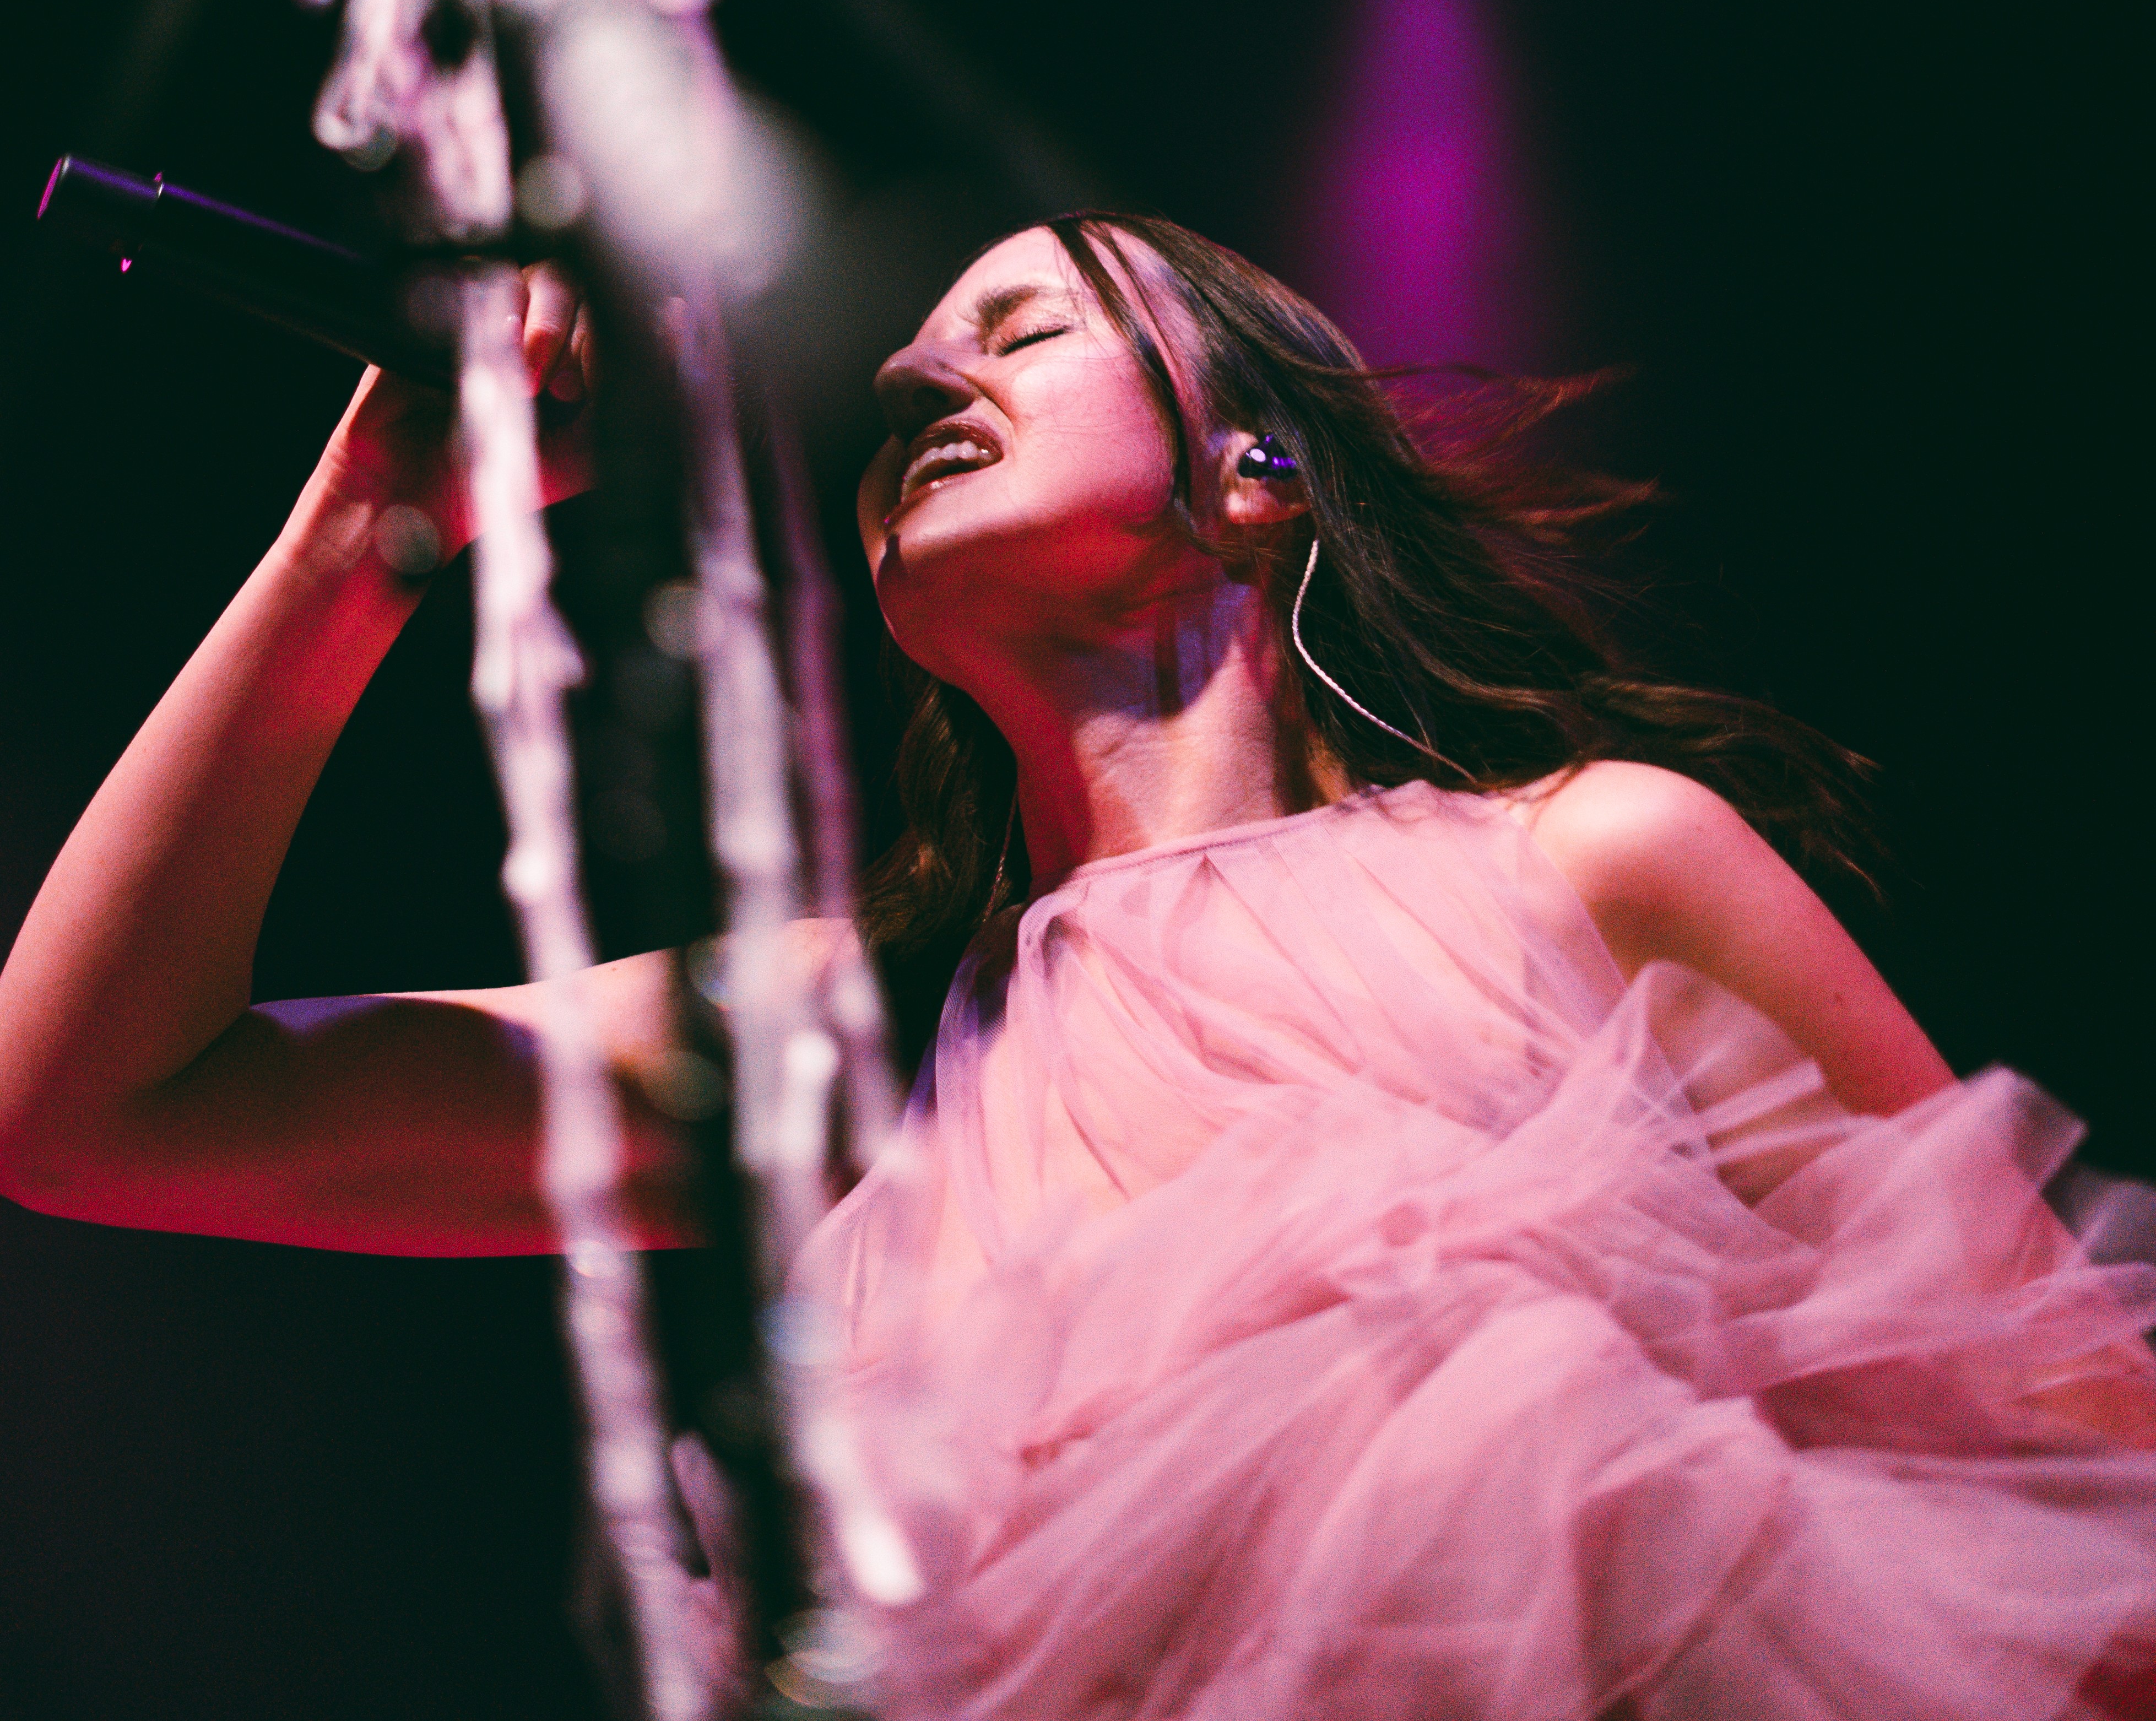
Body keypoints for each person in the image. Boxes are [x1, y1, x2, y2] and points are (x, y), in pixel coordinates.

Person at [1, 211, 2152, 1719]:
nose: (914, 373)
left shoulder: (1588, 865)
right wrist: (366, 529)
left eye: (1019, 330)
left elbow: (2073, 1450)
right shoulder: (847, 1037)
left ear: (1254, 470)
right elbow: (89, 1102)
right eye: (913, 365)